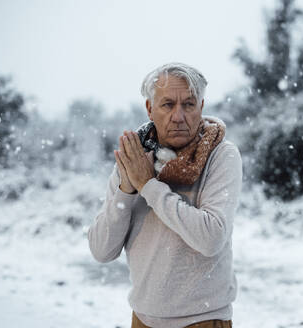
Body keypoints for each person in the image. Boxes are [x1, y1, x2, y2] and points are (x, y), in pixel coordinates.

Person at [88, 62, 242, 328]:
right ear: (150, 108)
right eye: (168, 104)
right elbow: (102, 250)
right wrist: (127, 190)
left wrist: (148, 185)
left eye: (189, 105)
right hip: (144, 320)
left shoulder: (221, 155)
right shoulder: (134, 158)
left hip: (204, 320)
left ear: (202, 107)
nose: (178, 116)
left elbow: (211, 238)